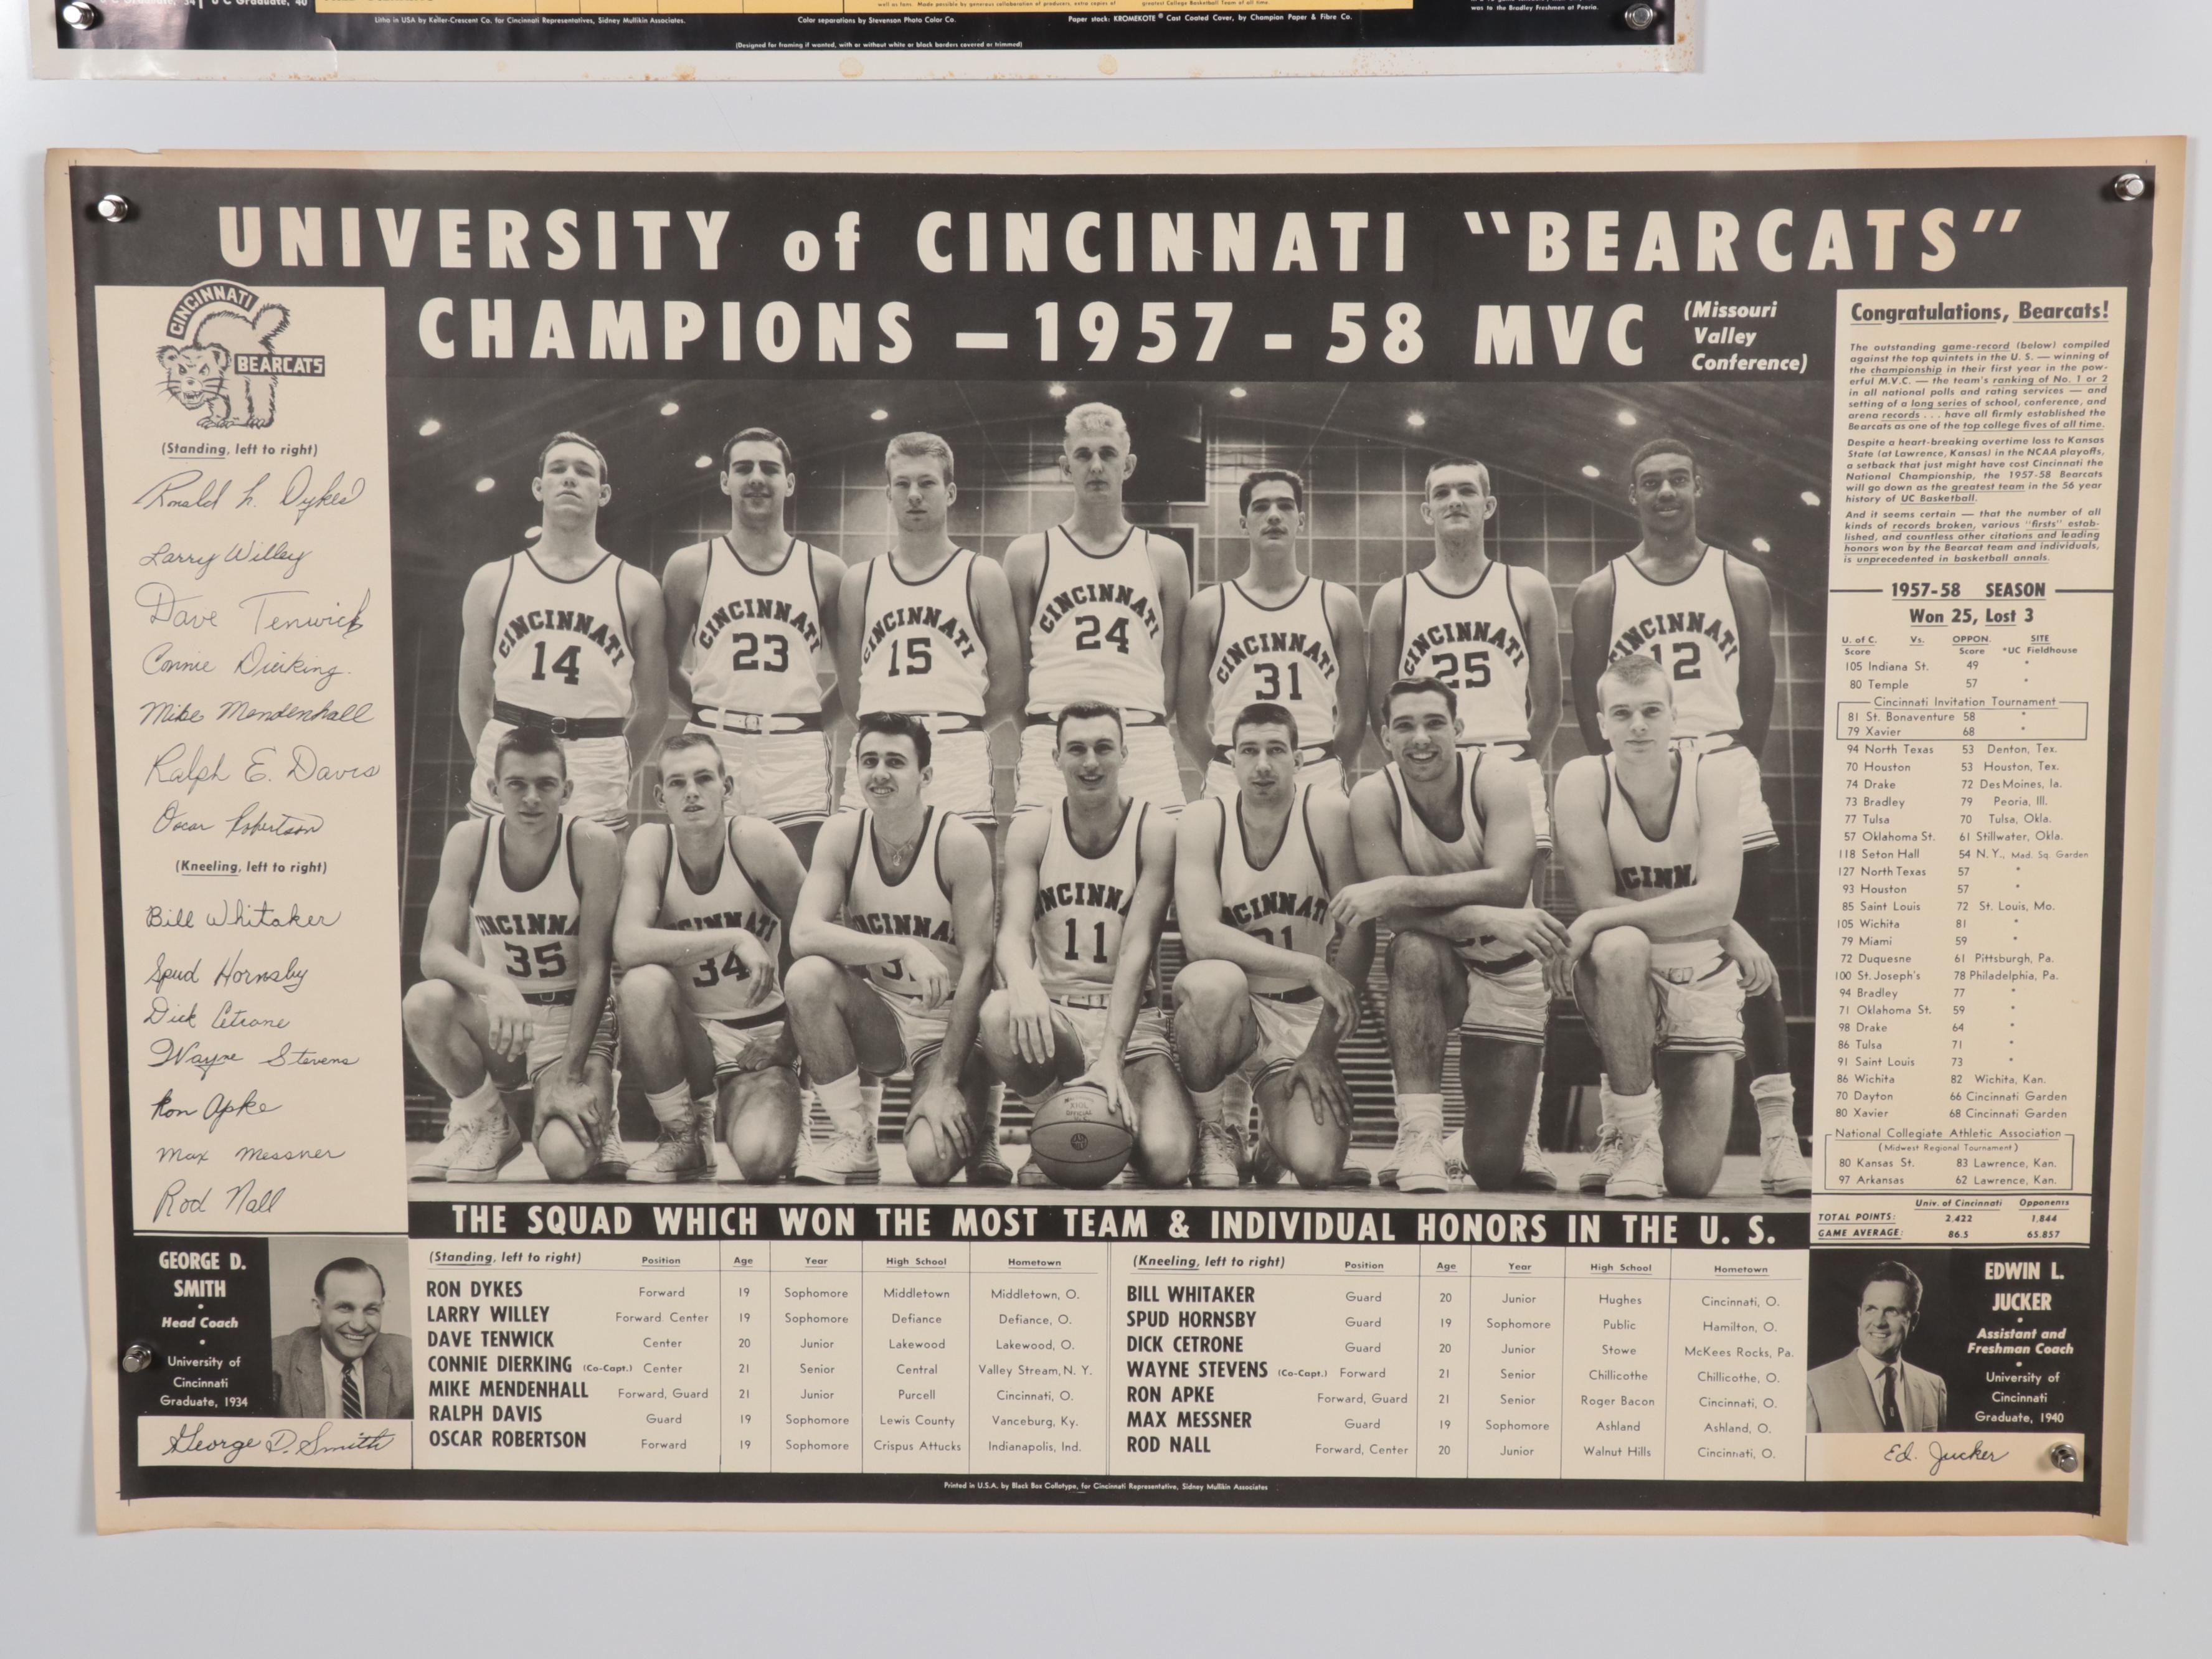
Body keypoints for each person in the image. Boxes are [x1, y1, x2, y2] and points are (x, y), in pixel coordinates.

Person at [1569, 436, 1808, 1198]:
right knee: (1623, 932)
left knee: (1756, 954)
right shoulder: (1603, 589)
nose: (1665, 493)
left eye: (1677, 480)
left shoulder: (1739, 577)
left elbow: (1760, 694)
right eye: (1650, 483)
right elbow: (1588, 699)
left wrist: (1723, 768)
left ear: (1698, 487)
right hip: (1638, 762)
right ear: (1631, 495)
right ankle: (1623, 1124)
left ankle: (1780, 1138)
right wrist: (1633, 770)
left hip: (1717, 764)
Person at [1549, 656, 1775, 1200]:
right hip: (1626, 971)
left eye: (1652, 710)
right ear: (1602, 723)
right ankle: (1634, 1136)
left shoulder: (1715, 777)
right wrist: (1704, 918)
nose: (1639, 725)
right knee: (1621, 946)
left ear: (1675, 717)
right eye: (1622, 713)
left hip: (1701, 974)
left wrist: (1721, 926)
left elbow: (1720, 901)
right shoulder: (1583, 779)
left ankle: (1627, 1112)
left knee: (1692, 1181)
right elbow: (1595, 898)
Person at [1333, 678, 1567, 1193]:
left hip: (1510, 971)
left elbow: (1509, 884)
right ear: (1385, 738)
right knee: (1411, 951)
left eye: (1435, 723)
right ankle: (1418, 1134)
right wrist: (1479, 919)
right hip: (1442, 956)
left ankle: (1498, 1136)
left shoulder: (1498, 778)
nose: (1421, 738)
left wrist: (1400, 886)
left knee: (1496, 1170)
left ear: (1458, 730)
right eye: (1405, 726)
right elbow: (1398, 919)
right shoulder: (1373, 797)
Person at [786, 712, 1005, 1187]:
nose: (879, 773)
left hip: (951, 1027)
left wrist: (946, 1078)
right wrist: (902, 947)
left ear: (925, 775)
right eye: (868, 761)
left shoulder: (960, 842)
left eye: (894, 761)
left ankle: (982, 1122)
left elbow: (980, 967)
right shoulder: (843, 834)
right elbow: (804, 934)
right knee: (807, 978)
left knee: (929, 1164)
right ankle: (855, 1140)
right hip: (884, 1015)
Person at [981, 701, 1193, 1189]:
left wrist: (1111, 1060)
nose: (1090, 762)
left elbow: (1138, 950)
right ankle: (1055, 1122)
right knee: (997, 1011)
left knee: (1169, 1163)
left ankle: (1118, 1132)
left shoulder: (1155, 830)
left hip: (1132, 1024)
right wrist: (1024, 983)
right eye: (1076, 749)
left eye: (1103, 748)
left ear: (1125, 754)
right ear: (1055, 757)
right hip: (1057, 1021)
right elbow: (1010, 934)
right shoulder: (1033, 829)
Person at [403, 726, 625, 1183]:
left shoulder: (593, 845)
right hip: (505, 1019)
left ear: (567, 791)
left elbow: (596, 969)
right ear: (493, 788)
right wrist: (496, 984)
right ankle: (488, 1122)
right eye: (516, 784)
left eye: (545, 784)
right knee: (423, 1002)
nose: (531, 798)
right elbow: (435, 952)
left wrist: (565, 1078)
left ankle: (604, 1106)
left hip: (573, 1023)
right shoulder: (469, 840)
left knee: (565, 1160)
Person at [1170, 702, 1374, 1190]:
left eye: (1276, 750)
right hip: (1237, 1012)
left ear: (1299, 761)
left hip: (1302, 1021)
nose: (1262, 764)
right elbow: (1199, 935)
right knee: (1210, 982)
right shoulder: (1204, 820)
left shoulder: (1327, 814)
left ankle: (1275, 1142)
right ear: (1231, 762)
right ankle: (1216, 1129)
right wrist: (1307, 964)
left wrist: (1322, 1049)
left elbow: (1360, 930)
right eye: (1249, 751)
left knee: (1317, 1167)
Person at [612, 732, 807, 1183]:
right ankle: (686, 1133)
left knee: (761, 1162)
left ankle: (796, 1113)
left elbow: (816, 943)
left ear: (728, 788)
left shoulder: (757, 842)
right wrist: (732, 938)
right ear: (660, 797)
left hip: (759, 1034)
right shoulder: (653, 845)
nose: (692, 792)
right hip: (690, 1035)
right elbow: (628, 944)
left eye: (704, 778)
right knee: (642, 985)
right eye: (677, 784)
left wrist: (790, 1048)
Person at [457, 431, 667, 831]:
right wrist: (499, 759)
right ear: (539, 487)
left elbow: (654, 707)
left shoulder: (638, 587)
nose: (570, 478)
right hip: (512, 748)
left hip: (595, 756)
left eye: (584, 472)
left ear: (603, 493)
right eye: (558, 469)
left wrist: (617, 766)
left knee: (595, 887)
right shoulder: (493, 579)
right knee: (494, 886)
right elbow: (474, 696)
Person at [659, 427, 844, 864]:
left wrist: (808, 721)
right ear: (725, 482)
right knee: (704, 886)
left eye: (769, 469)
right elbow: (662, 669)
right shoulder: (691, 566)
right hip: (713, 741)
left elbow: (852, 681)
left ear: (790, 483)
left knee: (794, 893)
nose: (756, 478)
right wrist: (709, 710)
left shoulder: (826, 570)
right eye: (743, 469)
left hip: (793, 750)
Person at [1367, 457, 1560, 861]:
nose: (1454, 501)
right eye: (1442, 493)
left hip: (1508, 758)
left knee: (1524, 918)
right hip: (1430, 770)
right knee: (1427, 915)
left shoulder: (1526, 587)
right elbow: (1380, 708)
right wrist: (1422, 768)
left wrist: (1516, 761)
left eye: (1467, 491)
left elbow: (1549, 705)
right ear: (1427, 512)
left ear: (1488, 506)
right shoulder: (1394, 598)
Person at [835, 432, 1023, 839]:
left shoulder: (982, 575)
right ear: (889, 494)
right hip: (879, 749)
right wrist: (894, 730)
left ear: (950, 492)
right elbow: (852, 692)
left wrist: (958, 723)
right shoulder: (859, 581)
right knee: (862, 883)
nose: (914, 495)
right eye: (902, 484)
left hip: (956, 748)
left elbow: (1008, 687)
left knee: (965, 885)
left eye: (927, 483)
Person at [1007, 402, 1192, 813]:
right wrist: (1045, 735)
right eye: (1083, 455)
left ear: (1128, 466)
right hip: (1052, 736)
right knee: (1042, 864)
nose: (1096, 466)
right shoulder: (1028, 555)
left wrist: (1137, 724)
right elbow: (1017, 669)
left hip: (1141, 737)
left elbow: (1172, 672)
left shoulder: (1165, 557)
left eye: (1108, 454)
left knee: (1165, 866)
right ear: (1064, 466)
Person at [1179, 468, 1366, 799]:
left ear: (1301, 520)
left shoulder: (1338, 603)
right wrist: (1226, 767)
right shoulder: (1208, 607)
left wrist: (1329, 766)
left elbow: (1353, 719)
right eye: (1261, 507)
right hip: (1234, 773)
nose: (1274, 516)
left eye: (1286, 506)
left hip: (1315, 768)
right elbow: (1191, 721)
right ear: (1243, 523)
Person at [1807, 1262, 1949, 1432]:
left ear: (1914, 1321)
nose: (1879, 1322)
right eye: (1871, 1309)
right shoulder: (1814, 1385)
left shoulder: (1933, 1387)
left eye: (1892, 1311)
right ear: (1860, 1315)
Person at [272, 1258, 414, 1420]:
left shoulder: (408, 1360)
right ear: (318, 1310)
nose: (359, 1326)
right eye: (345, 1308)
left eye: (371, 1309)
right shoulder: (276, 1361)